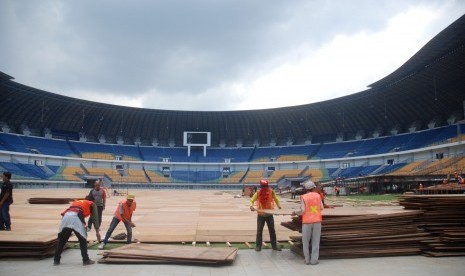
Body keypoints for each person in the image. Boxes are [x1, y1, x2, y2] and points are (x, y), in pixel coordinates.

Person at [54, 196, 101, 265]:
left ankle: (56, 260)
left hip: (66, 217)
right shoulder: (92, 204)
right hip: (76, 217)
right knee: (83, 240)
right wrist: (97, 232)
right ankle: (86, 260)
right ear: (93, 200)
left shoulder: (77, 202)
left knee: (62, 240)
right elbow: (95, 218)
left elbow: (79, 214)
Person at [292, 180, 324, 265]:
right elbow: (321, 207)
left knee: (306, 242)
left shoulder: (304, 197)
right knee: (316, 242)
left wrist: (295, 212)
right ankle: (314, 260)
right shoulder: (318, 195)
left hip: (307, 222)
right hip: (317, 221)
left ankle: (307, 260)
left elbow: (302, 210)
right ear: (313, 188)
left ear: (306, 189)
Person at [249, 179, 282, 251]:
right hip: (261, 215)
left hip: (269, 214)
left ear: (267, 185)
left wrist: (279, 206)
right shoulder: (258, 193)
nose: (264, 187)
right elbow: (251, 200)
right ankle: (258, 246)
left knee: (272, 230)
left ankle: (274, 246)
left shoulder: (271, 192)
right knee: (259, 231)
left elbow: (276, 199)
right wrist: (251, 206)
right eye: (263, 186)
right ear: (261, 186)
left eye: (266, 186)